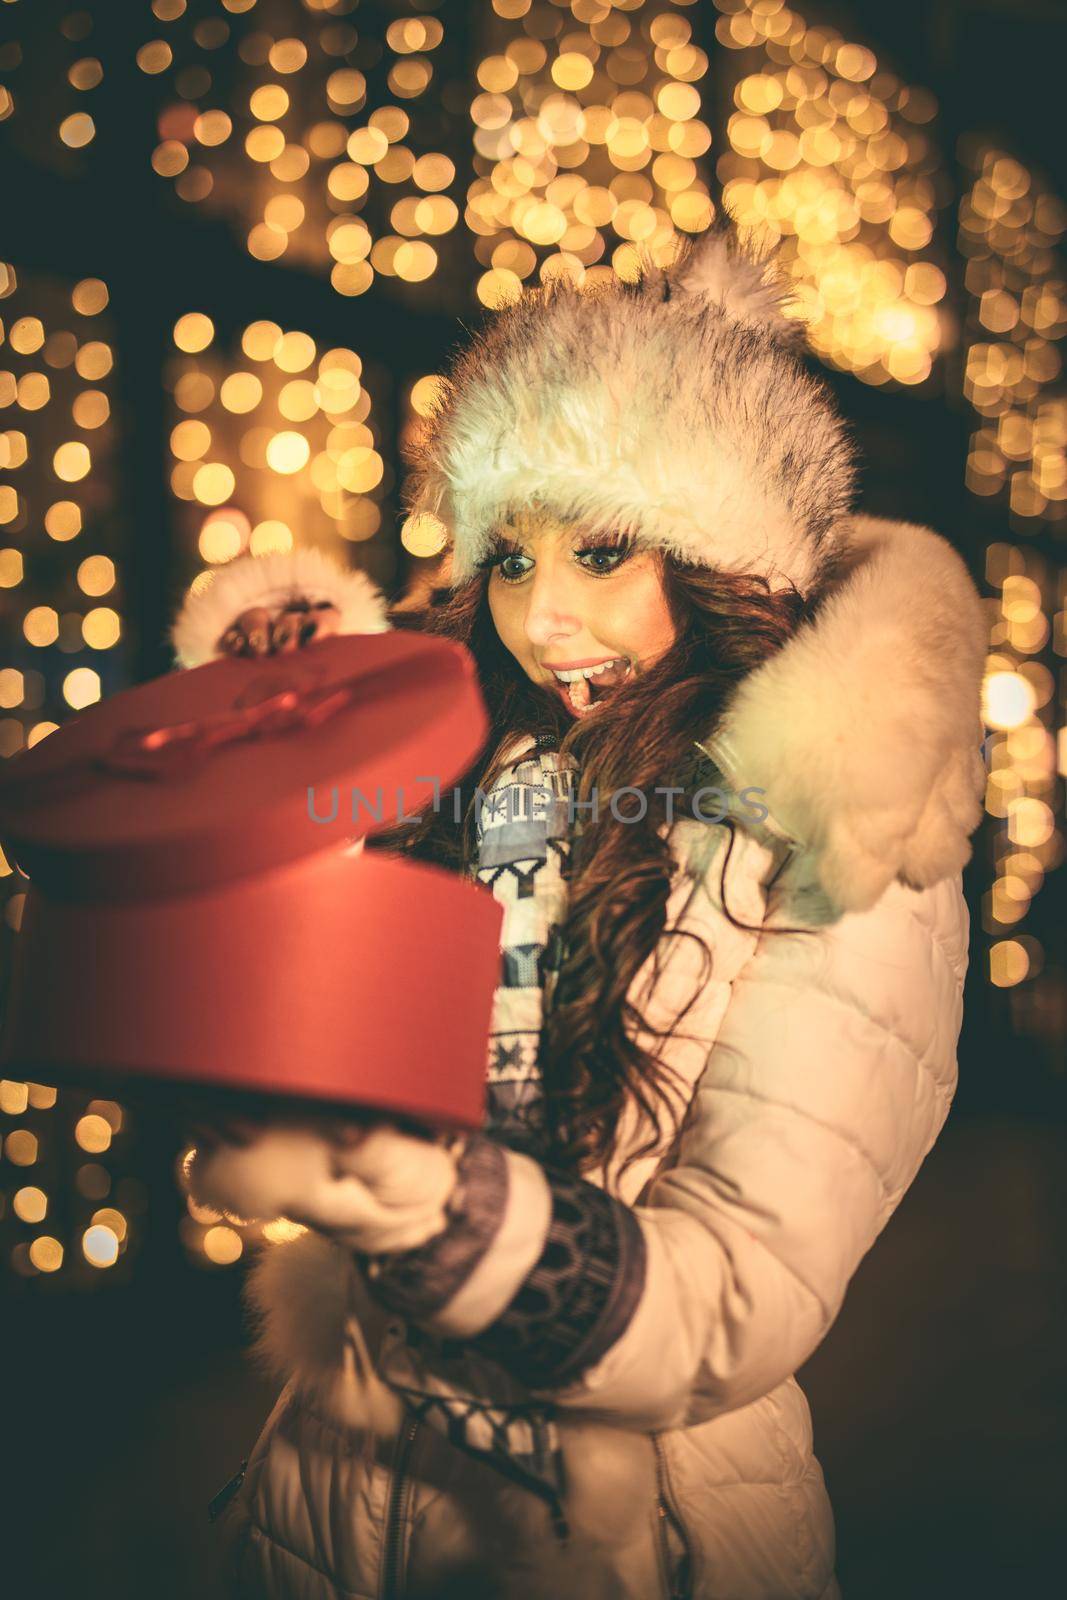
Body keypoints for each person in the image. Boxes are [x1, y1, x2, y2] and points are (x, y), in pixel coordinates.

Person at [170, 220, 988, 1600]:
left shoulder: (830, 830)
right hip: (340, 1482)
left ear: (730, 557)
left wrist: (426, 1204)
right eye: (510, 559)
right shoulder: (474, 760)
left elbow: (743, 1290)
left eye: (604, 552)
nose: (544, 620)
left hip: (625, 1526)